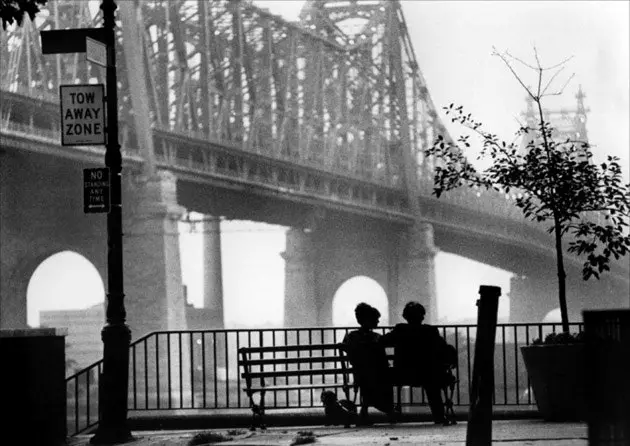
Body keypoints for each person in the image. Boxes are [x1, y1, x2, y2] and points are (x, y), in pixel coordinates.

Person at [381, 301, 451, 425]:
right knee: (432, 385)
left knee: (385, 377)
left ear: (405, 316)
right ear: (422, 316)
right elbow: (444, 349)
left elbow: (383, 341)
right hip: (427, 374)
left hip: (402, 374)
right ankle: (439, 415)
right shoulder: (431, 331)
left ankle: (391, 413)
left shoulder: (400, 330)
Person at [342, 303, 395, 423]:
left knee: (367, 379)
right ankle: (389, 410)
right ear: (368, 320)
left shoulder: (352, 336)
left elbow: (349, 352)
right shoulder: (376, 337)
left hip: (361, 372)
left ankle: (365, 410)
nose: (378, 322)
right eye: (376, 319)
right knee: (382, 378)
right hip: (378, 372)